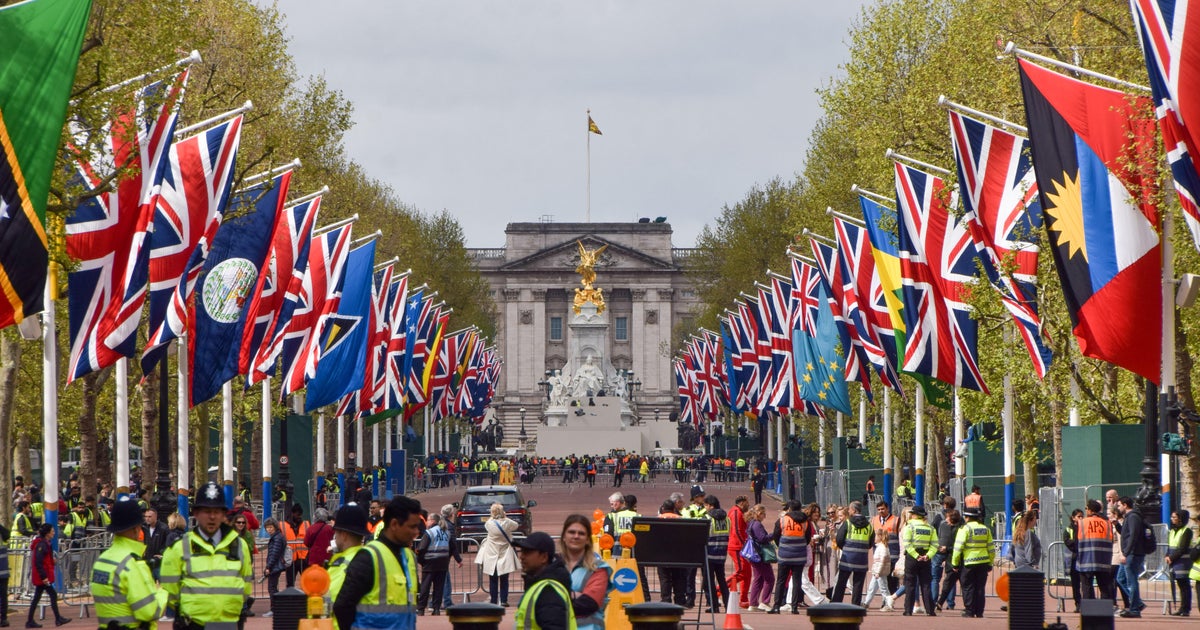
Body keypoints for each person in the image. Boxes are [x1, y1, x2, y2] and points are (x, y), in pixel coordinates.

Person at [160, 483, 252, 630]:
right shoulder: (179, 548)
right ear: (196, 514)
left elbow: (246, 585)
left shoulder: (240, 546)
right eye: (206, 511)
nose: (212, 517)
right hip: (193, 624)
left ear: (223, 514)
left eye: (216, 511)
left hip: (229, 624)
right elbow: (170, 589)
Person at [333, 496, 422, 630]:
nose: (416, 532)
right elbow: (342, 607)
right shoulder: (369, 557)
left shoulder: (409, 557)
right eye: (412, 527)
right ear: (394, 524)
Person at [91, 498, 167, 630]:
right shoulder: (133, 564)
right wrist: (163, 592)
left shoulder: (102, 560)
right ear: (136, 529)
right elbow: (149, 612)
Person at [559, 515, 612, 630]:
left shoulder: (598, 568)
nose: (576, 536)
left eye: (581, 533)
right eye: (572, 532)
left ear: (588, 539)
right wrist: (575, 595)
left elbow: (589, 604)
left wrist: (556, 600)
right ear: (564, 536)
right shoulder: (552, 565)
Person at [513, 532, 574, 630]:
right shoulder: (540, 585)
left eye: (527, 552)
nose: (522, 557)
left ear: (544, 557)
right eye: (522, 551)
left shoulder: (548, 591)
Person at [952, 507, 994, 618]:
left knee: (968, 587)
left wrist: (955, 563)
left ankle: (969, 611)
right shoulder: (986, 529)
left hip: (969, 563)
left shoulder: (965, 529)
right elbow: (991, 549)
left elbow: (958, 548)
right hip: (984, 562)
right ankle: (979, 612)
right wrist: (990, 562)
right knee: (980, 587)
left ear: (967, 517)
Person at [475, 503, 519, 606]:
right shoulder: (507, 522)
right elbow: (516, 526)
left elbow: (487, 525)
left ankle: (493, 601)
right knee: (504, 579)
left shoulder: (489, 523)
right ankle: (504, 600)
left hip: (492, 554)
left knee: (493, 580)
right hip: (504, 553)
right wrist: (505, 516)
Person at [768, 500, 808, 614]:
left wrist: (781, 545)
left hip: (785, 554)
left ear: (789, 509)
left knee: (781, 580)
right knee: (797, 581)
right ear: (800, 509)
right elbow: (808, 538)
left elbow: (776, 535)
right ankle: (794, 607)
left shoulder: (782, 520)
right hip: (799, 555)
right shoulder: (805, 521)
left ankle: (776, 606)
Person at [327, 503, 369, 610]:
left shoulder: (343, 564)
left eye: (336, 533)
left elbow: (332, 600)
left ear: (344, 535)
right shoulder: (367, 557)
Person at [415, 513, 459, 616]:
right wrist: (458, 559)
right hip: (443, 563)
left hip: (430, 563)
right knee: (438, 588)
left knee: (425, 587)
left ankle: (421, 609)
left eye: (428, 520)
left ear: (433, 521)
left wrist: (420, 560)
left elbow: (421, 548)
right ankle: (436, 609)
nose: (427, 522)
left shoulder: (429, 533)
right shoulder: (446, 532)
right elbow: (453, 547)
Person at [831, 500, 873, 606]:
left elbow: (839, 538)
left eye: (849, 509)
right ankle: (855, 606)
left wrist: (845, 548)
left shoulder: (848, 523)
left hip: (848, 559)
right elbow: (871, 542)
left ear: (853, 510)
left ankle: (836, 604)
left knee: (841, 583)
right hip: (862, 559)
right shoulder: (869, 525)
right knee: (858, 584)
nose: (849, 511)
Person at [27, 523, 68, 628]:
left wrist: (51, 561)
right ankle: (58, 619)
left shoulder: (45, 543)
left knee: (38, 597)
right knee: (52, 595)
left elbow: (43, 560)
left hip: (42, 576)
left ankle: (30, 620)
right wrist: (44, 577)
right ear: (47, 533)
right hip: (42, 576)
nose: (54, 533)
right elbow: (38, 562)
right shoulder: (42, 544)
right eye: (52, 531)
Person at [900, 505, 936, 616]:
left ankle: (908, 611)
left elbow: (907, 544)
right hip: (926, 558)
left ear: (914, 515)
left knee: (910, 584)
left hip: (912, 558)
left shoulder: (909, 527)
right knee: (926, 584)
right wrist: (927, 556)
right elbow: (935, 545)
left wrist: (916, 555)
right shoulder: (930, 528)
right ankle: (930, 611)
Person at [1116, 496, 1147, 617]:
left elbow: (1133, 536)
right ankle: (1137, 603)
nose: (1118, 508)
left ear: (1125, 505)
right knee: (1121, 578)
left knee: (1131, 580)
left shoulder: (1133, 517)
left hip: (1133, 554)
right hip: (1130, 553)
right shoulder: (1128, 517)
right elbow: (1126, 534)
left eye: (1119, 505)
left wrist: (1126, 552)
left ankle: (1134, 609)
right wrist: (1117, 525)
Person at [1078, 500, 1115, 602]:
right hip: (1103, 561)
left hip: (1086, 560)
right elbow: (1111, 540)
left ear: (1089, 510)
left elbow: (1077, 541)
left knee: (1087, 587)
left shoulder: (1082, 523)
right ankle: (1105, 612)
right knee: (1105, 588)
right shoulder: (1107, 524)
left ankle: (1089, 614)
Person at [702, 496, 730, 614]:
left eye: (706, 505)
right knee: (722, 580)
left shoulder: (708, 518)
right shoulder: (727, 519)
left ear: (710, 505)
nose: (705, 508)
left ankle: (714, 605)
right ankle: (728, 604)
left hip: (709, 553)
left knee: (708, 581)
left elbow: (703, 535)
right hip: (722, 553)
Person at [745, 504, 775, 612]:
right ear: (759, 514)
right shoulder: (757, 524)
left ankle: (753, 603)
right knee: (769, 578)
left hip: (754, 554)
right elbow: (762, 538)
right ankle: (765, 601)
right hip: (760, 554)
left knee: (758, 578)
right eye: (763, 514)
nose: (765, 516)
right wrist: (773, 535)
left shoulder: (751, 523)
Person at [933, 508, 963, 611]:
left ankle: (970, 606)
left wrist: (947, 548)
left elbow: (958, 546)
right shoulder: (952, 528)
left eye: (948, 518)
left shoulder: (959, 530)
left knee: (963, 585)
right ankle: (940, 603)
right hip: (951, 560)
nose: (946, 520)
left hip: (958, 561)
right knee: (948, 584)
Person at [1165, 509, 1193, 617]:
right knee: (1180, 585)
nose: (1172, 519)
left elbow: (1183, 548)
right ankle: (1182, 608)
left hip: (1183, 562)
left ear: (1181, 519)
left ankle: (1186, 608)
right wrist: (1167, 555)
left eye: (1174, 517)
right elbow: (1170, 545)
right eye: (1172, 517)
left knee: (1185, 585)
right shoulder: (1172, 531)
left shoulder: (1186, 531)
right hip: (1175, 562)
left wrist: (1171, 557)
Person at [727, 496, 752, 610]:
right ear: (742, 503)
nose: (749, 505)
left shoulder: (738, 512)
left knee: (747, 573)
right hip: (737, 546)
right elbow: (737, 530)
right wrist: (744, 545)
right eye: (747, 503)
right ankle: (718, 589)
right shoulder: (736, 512)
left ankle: (744, 599)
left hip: (739, 546)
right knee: (741, 572)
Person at [874, 501, 901, 597]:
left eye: (882, 509)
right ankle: (885, 600)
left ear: (887, 509)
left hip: (892, 555)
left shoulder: (896, 520)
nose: (881, 511)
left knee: (892, 580)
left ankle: (891, 599)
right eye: (879, 509)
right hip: (879, 556)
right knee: (880, 580)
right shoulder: (874, 520)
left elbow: (900, 537)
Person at [862, 529, 894, 611]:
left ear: (880, 536)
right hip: (876, 572)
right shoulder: (880, 547)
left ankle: (888, 604)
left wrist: (878, 572)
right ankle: (866, 603)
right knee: (871, 588)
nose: (873, 538)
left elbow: (882, 561)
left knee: (884, 589)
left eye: (875, 536)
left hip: (880, 573)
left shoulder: (882, 547)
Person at [263, 518, 289, 617]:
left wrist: (268, 566)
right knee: (273, 587)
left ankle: (275, 609)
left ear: (275, 527)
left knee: (272, 588)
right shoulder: (278, 537)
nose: (269, 530)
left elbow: (274, 553)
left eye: (270, 527)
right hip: (276, 565)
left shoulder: (277, 538)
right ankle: (277, 607)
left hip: (274, 566)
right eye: (267, 528)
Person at [282, 504, 310, 587]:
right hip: (291, 559)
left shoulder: (306, 524)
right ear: (292, 514)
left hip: (303, 558)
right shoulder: (283, 525)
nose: (299, 517)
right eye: (297, 514)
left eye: (300, 514)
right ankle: (290, 598)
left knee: (307, 582)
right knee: (290, 583)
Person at [1062, 509, 1084, 613]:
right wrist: (1077, 543)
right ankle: (1078, 603)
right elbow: (1067, 541)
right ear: (1073, 517)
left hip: (1084, 559)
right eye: (1079, 516)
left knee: (1085, 583)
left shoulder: (1085, 528)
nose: (1081, 518)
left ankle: (1086, 603)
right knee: (1075, 584)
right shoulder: (1068, 529)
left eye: (1082, 516)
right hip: (1073, 560)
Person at [142, 508, 169, 582]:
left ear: (156, 517)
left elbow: (167, 544)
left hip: (159, 563)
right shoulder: (144, 528)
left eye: (149, 517)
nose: (147, 519)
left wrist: (162, 554)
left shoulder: (164, 528)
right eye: (146, 516)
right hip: (147, 561)